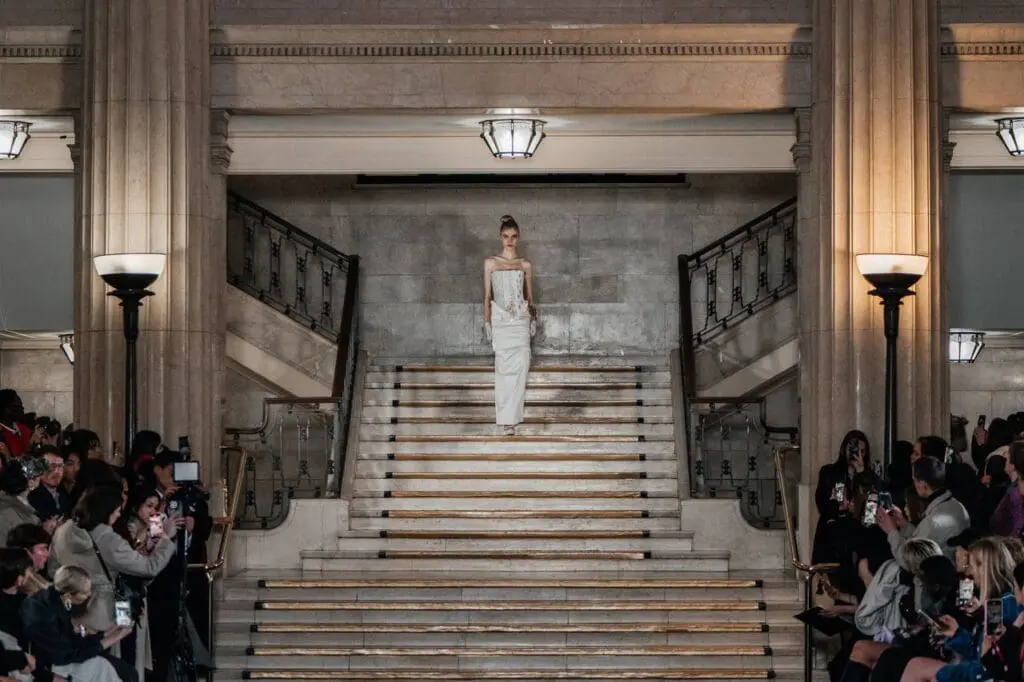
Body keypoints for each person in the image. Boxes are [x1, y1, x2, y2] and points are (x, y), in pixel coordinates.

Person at [49, 487, 179, 679]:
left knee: (83, 668)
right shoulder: (107, 539)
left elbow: (53, 569)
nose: (118, 515)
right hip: (110, 607)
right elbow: (149, 567)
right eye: (117, 511)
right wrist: (165, 538)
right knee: (118, 664)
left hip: (71, 611)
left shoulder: (62, 532)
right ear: (106, 511)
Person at [20, 565, 135, 682]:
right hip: (52, 667)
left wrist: (107, 632)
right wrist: (114, 638)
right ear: (68, 595)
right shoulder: (44, 614)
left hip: (67, 658)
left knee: (126, 671)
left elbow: (74, 641)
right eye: (85, 593)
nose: (89, 595)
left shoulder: (56, 600)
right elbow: (67, 655)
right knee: (124, 673)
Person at [482, 214, 536, 436]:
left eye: (513, 236)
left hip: (521, 320)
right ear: (500, 237)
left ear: (519, 237)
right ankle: (506, 421)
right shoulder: (490, 263)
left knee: (522, 365)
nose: (510, 240)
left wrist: (533, 319)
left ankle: (513, 418)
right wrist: (486, 322)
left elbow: (530, 297)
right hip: (501, 320)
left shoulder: (525, 265)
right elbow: (487, 296)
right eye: (506, 236)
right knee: (504, 369)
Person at [877, 456, 970, 566]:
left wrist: (891, 531)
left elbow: (908, 561)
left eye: (914, 480)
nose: (914, 484)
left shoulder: (934, 521)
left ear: (922, 484)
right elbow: (925, 538)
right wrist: (904, 524)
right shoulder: (957, 505)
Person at [0, 467, 44, 548]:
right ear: (31, 483)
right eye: (38, 476)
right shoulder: (7, 513)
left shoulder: (27, 502)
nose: (40, 478)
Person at [26, 447, 68, 526]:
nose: (57, 471)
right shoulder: (31, 496)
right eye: (51, 466)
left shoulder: (64, 491)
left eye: (60, 466)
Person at [0, 392, 31, 459]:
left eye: (21, 406)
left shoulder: (25, 429)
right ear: (5, 408)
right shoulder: (1, 433)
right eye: (17, 406)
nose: (22, 409)